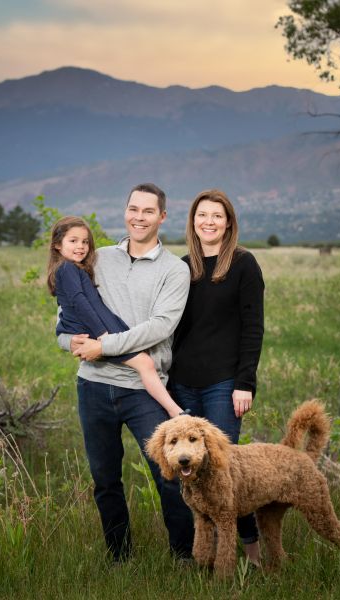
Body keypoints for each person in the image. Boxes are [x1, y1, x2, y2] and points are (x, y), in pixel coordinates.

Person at [57, 183, 194, 562]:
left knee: (168, 475)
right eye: (133, 209)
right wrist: (67, 343)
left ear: (162, 217)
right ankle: (120, 557)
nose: (138, 217)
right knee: (105, 480)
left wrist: (106, 347)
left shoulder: (174, 270)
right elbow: (67, 316)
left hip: (143, 390)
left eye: (148, 211)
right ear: (125, 211)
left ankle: (184, 556)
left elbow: (160, 327)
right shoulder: (95, 258)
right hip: (93, 386)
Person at [168, 188, 265, 566]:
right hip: (181, 384)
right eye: (202, 215)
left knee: (225, 475)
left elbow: (253, 328)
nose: (209, 222)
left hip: (224, 384)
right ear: (193, 222)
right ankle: (199, 557)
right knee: (189, 477)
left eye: (217, 216)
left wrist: (245, 382)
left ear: (228, 223)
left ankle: (254, 556)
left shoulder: (243, 264)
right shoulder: (181, 267)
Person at [47, 215, 183, 418]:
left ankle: (174, 410)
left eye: (85, 241)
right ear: (57, 245)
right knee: (145, 364)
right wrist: (103, 335)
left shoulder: (80, 267)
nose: (81, 246)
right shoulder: (67, 269)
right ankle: (176, 412)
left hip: (105, 325)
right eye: (73, 241)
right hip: (100, 329)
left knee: (145, 364)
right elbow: (78, 305)